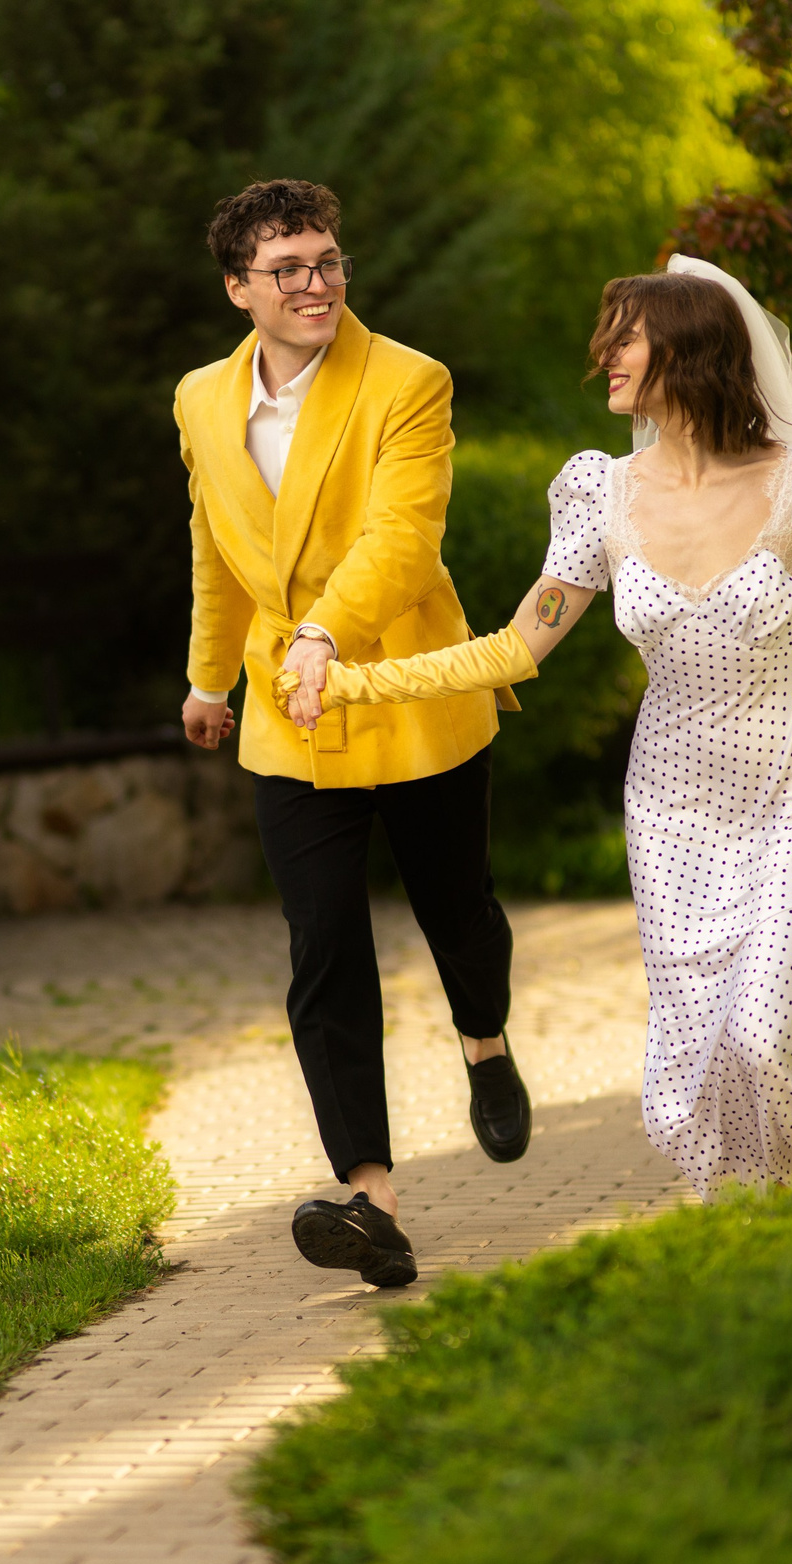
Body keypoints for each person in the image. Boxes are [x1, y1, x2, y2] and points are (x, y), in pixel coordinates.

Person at [280, 258, 792, 1200]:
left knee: (768, 1030)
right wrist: (358, 683)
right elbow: (512, 650)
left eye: (626, 337)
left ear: (688, 352)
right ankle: (764, 1224)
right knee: (701, 1049)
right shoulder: (598, 493)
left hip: (788, 789)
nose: (603, 355)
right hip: (670, 809)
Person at [176, 179, 533, 1289]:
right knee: (323, 946)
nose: (316, 282)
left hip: (407, 693)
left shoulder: (408, 382)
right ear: (239, 287)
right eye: (287, 268)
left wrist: (327, 634)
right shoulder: (197, 399)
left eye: (327, 260)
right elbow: (218, 544)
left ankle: (484, 1039)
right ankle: (370, 1199)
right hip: (287, 721)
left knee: (456, 909)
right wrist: (203, 678)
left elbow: (402, 536)